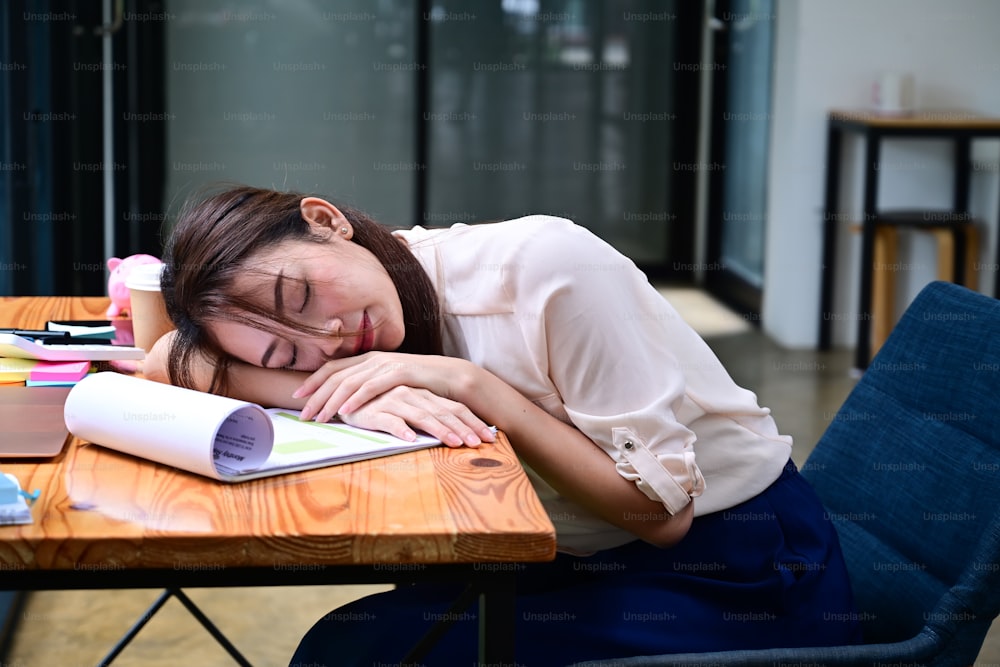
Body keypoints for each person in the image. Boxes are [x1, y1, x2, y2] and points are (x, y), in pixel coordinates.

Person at [145, 184, 863, 666]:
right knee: (351, 639)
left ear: (327, 219)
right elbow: (162, 362)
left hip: (734, 565)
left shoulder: (545, 267)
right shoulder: (357, 319)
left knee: (361, 652)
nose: (328, 334)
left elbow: (660, 513)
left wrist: (473, 386)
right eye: (284, 351)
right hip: (555, 553)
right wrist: (325, 389)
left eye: (299, 293)